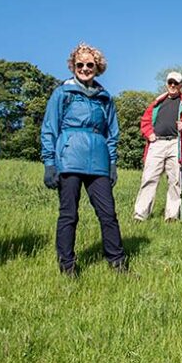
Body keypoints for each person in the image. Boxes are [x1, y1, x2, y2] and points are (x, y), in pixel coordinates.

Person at [40, 43, 127, 275]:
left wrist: (112, 163)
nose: (85, 68)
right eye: (80, 64)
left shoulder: (104, 98)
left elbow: (112, 133)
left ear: (97, 67)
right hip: (69, 159)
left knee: (108, 213)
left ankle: (117, 262)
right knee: (69, 214)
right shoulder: (62, 93)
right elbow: (50, 128)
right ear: (73, 66)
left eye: (90, 64)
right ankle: (67, 266)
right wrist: (49, 163)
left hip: (98, 162)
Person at [133, 71, 182, 221]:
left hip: (176, 143)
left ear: (181, 85)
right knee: (149, 178)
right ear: (166, 84)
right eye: (170, 82)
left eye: (176, 83)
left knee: (176, 181)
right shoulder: (156, 103)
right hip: (156, 143)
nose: (172, 85)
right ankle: (140, 214)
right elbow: (145, 122)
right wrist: (149, 134)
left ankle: (172, 216)